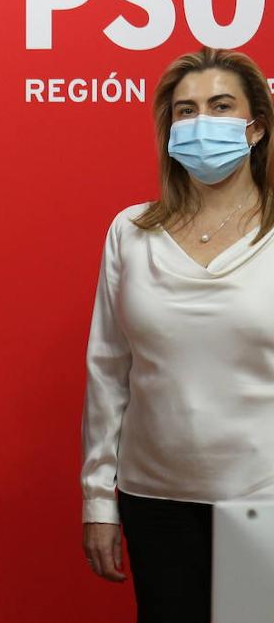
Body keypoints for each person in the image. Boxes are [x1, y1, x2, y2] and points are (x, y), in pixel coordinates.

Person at [80, 47, 274, 623]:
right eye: (186, 111)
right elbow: (107, 371)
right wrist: (98, 498)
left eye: (221, 106)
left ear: (256, 127)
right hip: (154, 501)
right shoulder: (130, 232)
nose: (200, 122)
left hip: (261, 502)